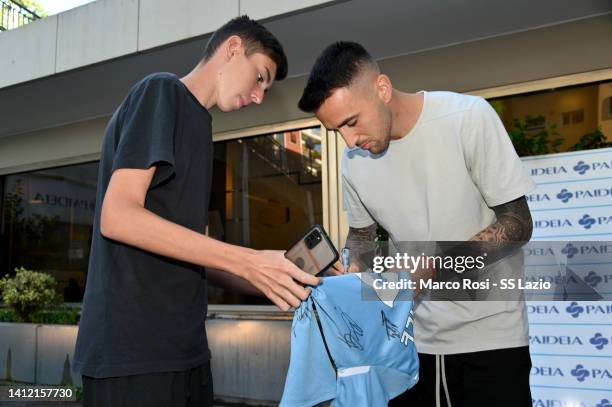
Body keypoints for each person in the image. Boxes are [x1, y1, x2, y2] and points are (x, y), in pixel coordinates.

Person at [72, 16, 319, 407]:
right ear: (233, 48)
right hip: (134, 354)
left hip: (186, 351)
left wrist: (279, 275)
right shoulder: (161, 91)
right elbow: (117, 215)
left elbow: (198, 251)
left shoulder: (200, 129)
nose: (258, 96)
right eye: (259, 77)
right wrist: (248, 259)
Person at [298, 41, 534, 407]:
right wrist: (351, 269)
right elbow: (361, 237)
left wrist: (437, 266)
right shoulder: (353, 161)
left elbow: (518, 223)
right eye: (336, 132)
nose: (349, 140)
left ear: (382, 88)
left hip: (491, 340)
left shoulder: (468, 117)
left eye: (351, 122)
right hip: (406, 343)